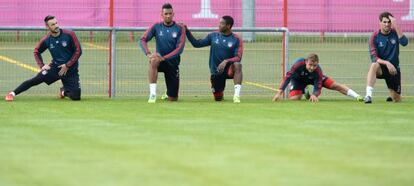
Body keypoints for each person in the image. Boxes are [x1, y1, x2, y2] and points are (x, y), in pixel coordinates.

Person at [5, 15, 82, 102]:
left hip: (71, 70)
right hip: (55, 68)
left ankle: (63, 91)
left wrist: (68, 65)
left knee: (76, 97)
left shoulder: (69, 34)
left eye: (56, 23)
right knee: (35, 80)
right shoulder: (47, 39)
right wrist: (41, 65)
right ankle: (12, 93)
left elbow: (78, 51)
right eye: (52, 24)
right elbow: (36, 51)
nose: (56, 26)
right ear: (47, 26)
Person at [185, 15, 243, 103]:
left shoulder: (236, 39)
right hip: (216, 71)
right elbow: (196, 44)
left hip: (229, 70)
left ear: (228, 26)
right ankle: (220, 92)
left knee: (238, 65)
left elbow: (238, 58)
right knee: (218, 98)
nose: (219, 25)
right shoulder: (213, 36)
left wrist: (226, 61)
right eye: (219, 23)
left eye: (222, 23)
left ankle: (236, 96)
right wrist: (187, 31)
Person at [140, 3, 185, 103]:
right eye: (166, 14)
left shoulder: (180, 28)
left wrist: (164, 57)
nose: (168, 16)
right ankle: (152, 94)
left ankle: (168, 92)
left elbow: (179, 49)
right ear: (162, 15)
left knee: (173, 99)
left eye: (170, 13)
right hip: (159, 61)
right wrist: (148, 53)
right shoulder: (156, 26)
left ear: (173, 14)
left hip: (173, 63)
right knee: (153, 60)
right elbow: (143, 39)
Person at [364, 11, 408, 103]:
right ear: (380, 23)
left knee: (397, 99)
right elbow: (374, 57)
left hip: (394, 69)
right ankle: (368, 96)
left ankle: (392, 96)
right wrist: (387, 63)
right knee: (374, 65)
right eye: (384, 22)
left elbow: (404, 42)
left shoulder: (395, 33)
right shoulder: (374, 36)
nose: (387, 24)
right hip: (382, 67)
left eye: (389, 22)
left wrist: (396, 25)